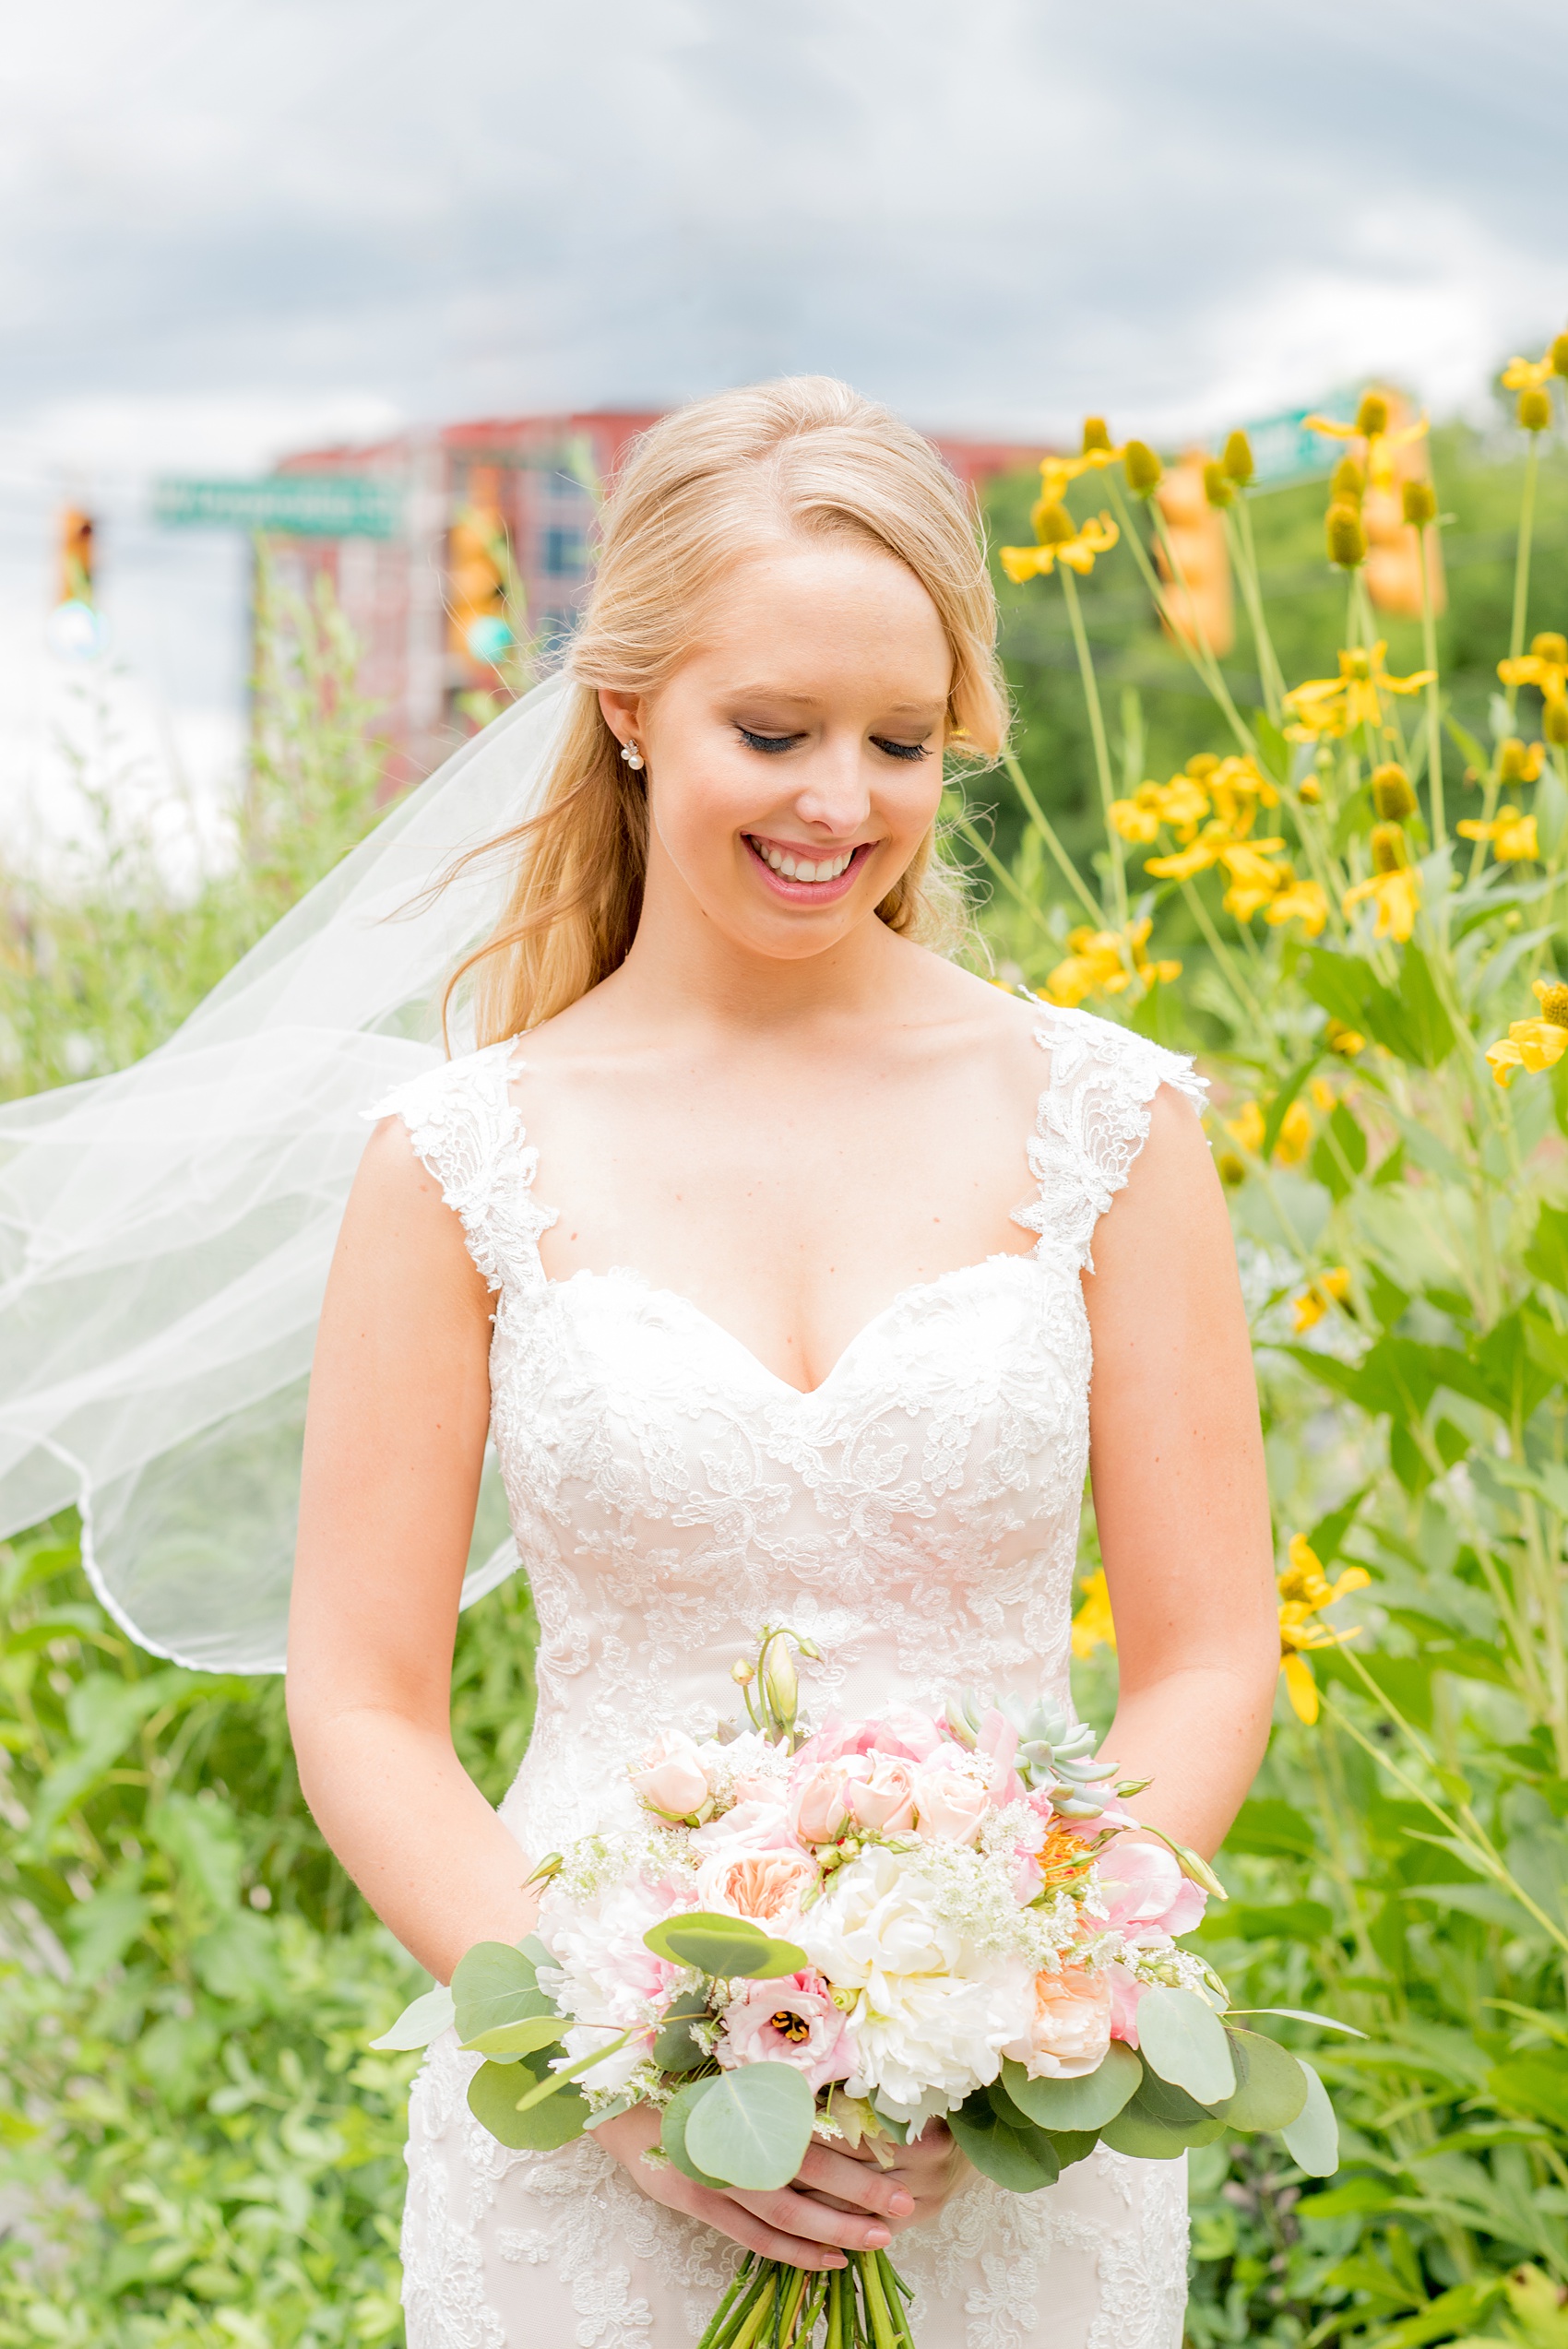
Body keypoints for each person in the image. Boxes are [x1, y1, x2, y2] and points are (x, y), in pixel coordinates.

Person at [284, 376, 1277, 2349]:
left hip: (1007, 2161)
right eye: (775, 730)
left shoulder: (1109, 1121)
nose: (842, 800)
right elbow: (362, 1695)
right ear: (632, 708)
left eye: (899, 740)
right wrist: (625, 2066)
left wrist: (1018, 2006)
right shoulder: (459, 1155)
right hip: (592, 2142)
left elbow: (1204, 1653)